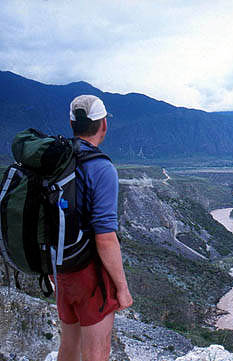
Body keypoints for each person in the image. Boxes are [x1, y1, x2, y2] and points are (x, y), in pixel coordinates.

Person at [53, 95, 133, 361]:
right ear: (104, 125)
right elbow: (106, 238)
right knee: (97, 353)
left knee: (69, 347)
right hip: (90, 275)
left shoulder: (58, 161)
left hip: (61, 270)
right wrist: (122, 288)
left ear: (72, 123)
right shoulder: (101, 167)